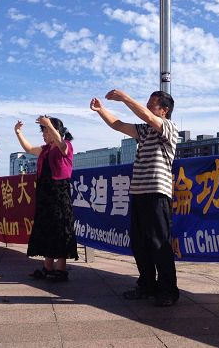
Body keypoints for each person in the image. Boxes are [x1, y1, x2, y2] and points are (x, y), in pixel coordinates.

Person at [90, 89, 179, 307]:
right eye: (147, 103)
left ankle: (168, 290)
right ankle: (147, 285)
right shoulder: (145, 130)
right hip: (138, 193)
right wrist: (101, 110)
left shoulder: (168, 128)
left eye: (152, 104)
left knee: (159, 242)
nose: (148, 108)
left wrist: (126, 98)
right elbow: (118, 125)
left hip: (157, 192)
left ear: (164, 111)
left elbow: (148, 117)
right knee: (140, 243)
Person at [14, 116, 78, 281]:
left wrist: (49, 123)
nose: (43, 134)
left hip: (59, 193)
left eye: (45, 131)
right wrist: (18, 132)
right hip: (45, 193)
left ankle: (61, 270)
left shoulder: (66, 146)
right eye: (43, 131)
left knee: (60, 229)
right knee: (47, 229)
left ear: (54, 131)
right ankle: (47, 267)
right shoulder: (45, 149)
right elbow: (28, 149)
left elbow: (61, 144)